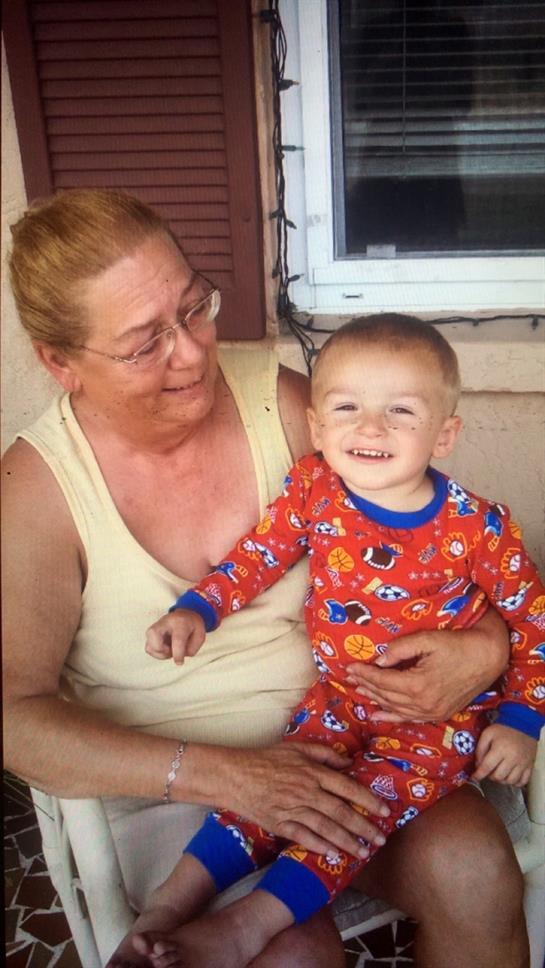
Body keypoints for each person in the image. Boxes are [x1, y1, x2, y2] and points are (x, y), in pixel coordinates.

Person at [2, 189, 528, 968]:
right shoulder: (36, 491)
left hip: (357, 741)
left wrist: (484, 651)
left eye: (193, 307)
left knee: (472, 870)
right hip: (171, 788)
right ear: (60, 361)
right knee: (288, 954)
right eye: (146, 343)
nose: (191, 352)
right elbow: (16, 717)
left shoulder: (277, 402)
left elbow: (438, 547)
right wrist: (228, 777)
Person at [109, 315, 543, 966]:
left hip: (430, 727)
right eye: (347, 408)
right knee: (282, 789)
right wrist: (200, 607)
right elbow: (259, 554)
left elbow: (532, 622)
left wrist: (520, 717)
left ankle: (249, 924)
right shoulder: (315, 488)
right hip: (334, 702)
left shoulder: (475, 529)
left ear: (443, 433)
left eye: (400, 410)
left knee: (349, 813)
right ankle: (174, 899)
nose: (370, 428)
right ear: (316, 427)